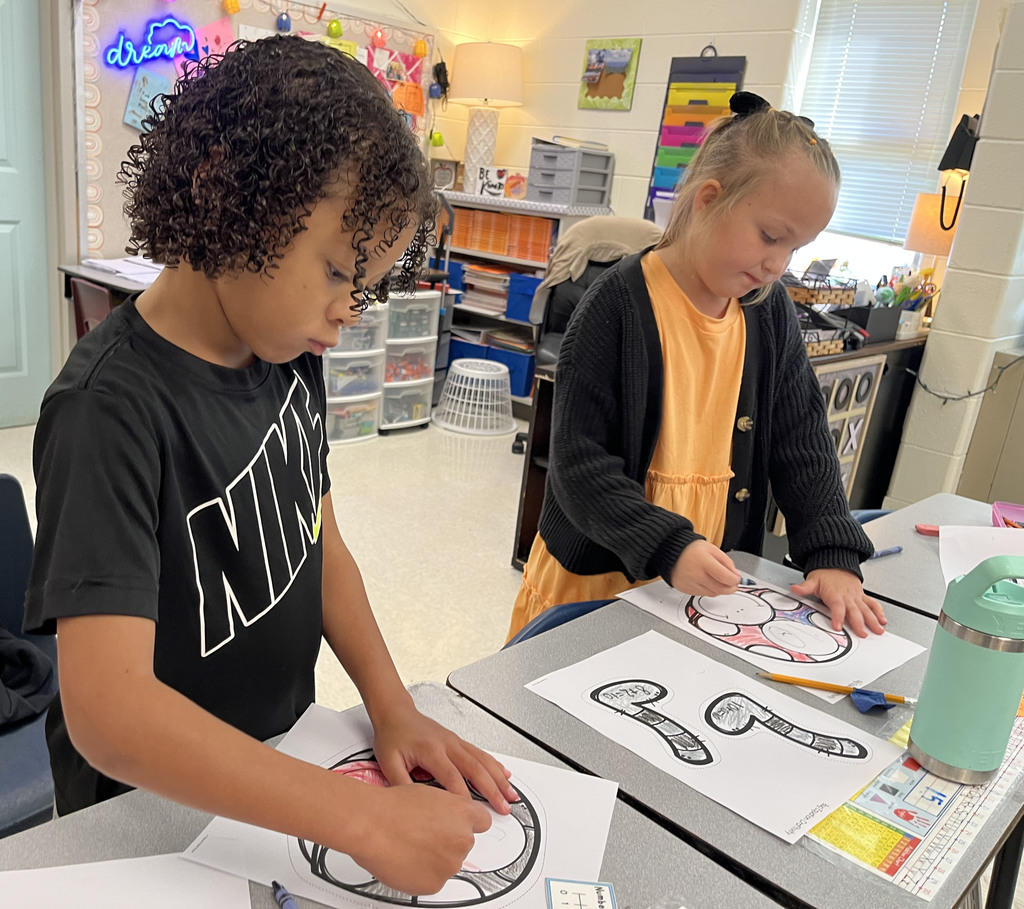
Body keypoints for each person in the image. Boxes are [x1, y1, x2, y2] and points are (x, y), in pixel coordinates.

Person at [24, 37, 518, 896]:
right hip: (149, 823)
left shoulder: (288, 355)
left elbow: (320, 542)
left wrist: (391, 705)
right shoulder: (108, 409)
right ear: (224, 191)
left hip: (282, 777)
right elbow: (110, 715)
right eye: (337, 272)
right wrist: (359, 819)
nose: (348, 312)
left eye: (364, 288)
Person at [508, 91, 887, 643]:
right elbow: (579, 467)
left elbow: (802, 441)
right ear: (708, 200)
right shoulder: (616, 305)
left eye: (795, 249)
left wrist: (832, 553)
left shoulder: (770, 311)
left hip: (703, 590)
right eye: (770, 237)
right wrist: (667, 544)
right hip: (598, 582)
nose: (777, 265)